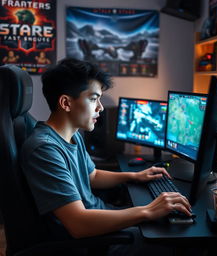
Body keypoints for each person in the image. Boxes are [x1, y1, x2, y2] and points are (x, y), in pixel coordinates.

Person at [21, 58, 192, 255]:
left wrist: (134, 176)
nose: (100, 107)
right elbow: (78, 224)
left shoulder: (72, 134)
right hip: (92, 241)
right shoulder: (45, 149)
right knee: (177, 239)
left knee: (169, 224)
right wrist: (148, 211)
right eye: (94, 99)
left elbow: (91, 176)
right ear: (66, 103)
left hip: (100, 218)